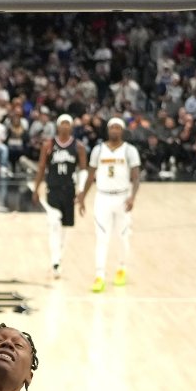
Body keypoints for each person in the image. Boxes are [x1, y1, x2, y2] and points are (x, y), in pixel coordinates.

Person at [77, 117, 141, 293]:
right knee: (101, 238)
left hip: (122, 197)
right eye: (112, 127)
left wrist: (132, 197)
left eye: (117, 127)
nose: (114, 130)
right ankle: (99, 276)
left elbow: (136, 178)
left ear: (122, 131)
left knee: (122, 236)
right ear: (107, 130)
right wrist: (82, 196)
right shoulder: (98, 150)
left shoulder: (130, 151)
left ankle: (121, 269)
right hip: (103, 197)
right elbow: (91, 175)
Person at [31, 114, 87, 279]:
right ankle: (55, 260)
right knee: (54, 222)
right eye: (62, 123)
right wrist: (36, 188)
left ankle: (58, 258)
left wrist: (82, 191)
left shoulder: (78, 147)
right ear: (57, 126)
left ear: (71, 127)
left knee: (64, 228)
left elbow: (83, 170)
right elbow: (42, 167)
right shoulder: (48, 145)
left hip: (69, 189)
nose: (64, 126)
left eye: (67, 124)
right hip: (53, 189)